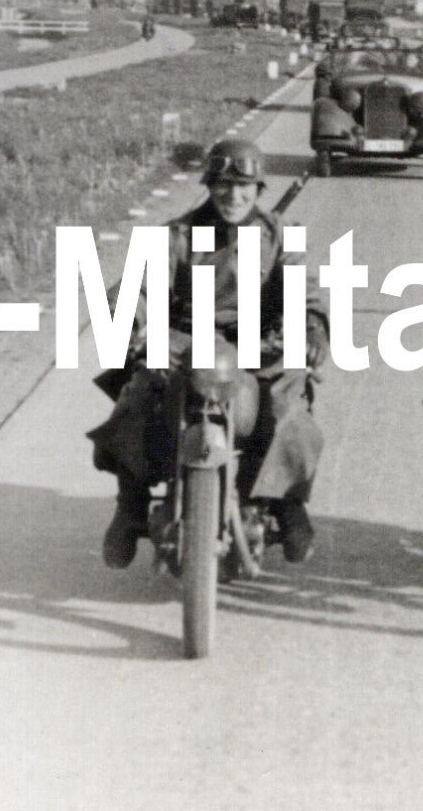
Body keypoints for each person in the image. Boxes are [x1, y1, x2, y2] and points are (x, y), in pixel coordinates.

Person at [87, 138, 328, 568]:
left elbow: (302, 288)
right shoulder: (175, 234)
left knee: (290, 402)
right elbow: (139, 285)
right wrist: (124, 318)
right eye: (222, 184)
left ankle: (288, 505)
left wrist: (310, 327)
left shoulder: (280, 236)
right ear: (209, 185)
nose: (232, 196)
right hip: (185, 342)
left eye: (244, 186)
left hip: (258, 346)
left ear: (258, 189)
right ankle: (130, 506)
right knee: (139, 394)